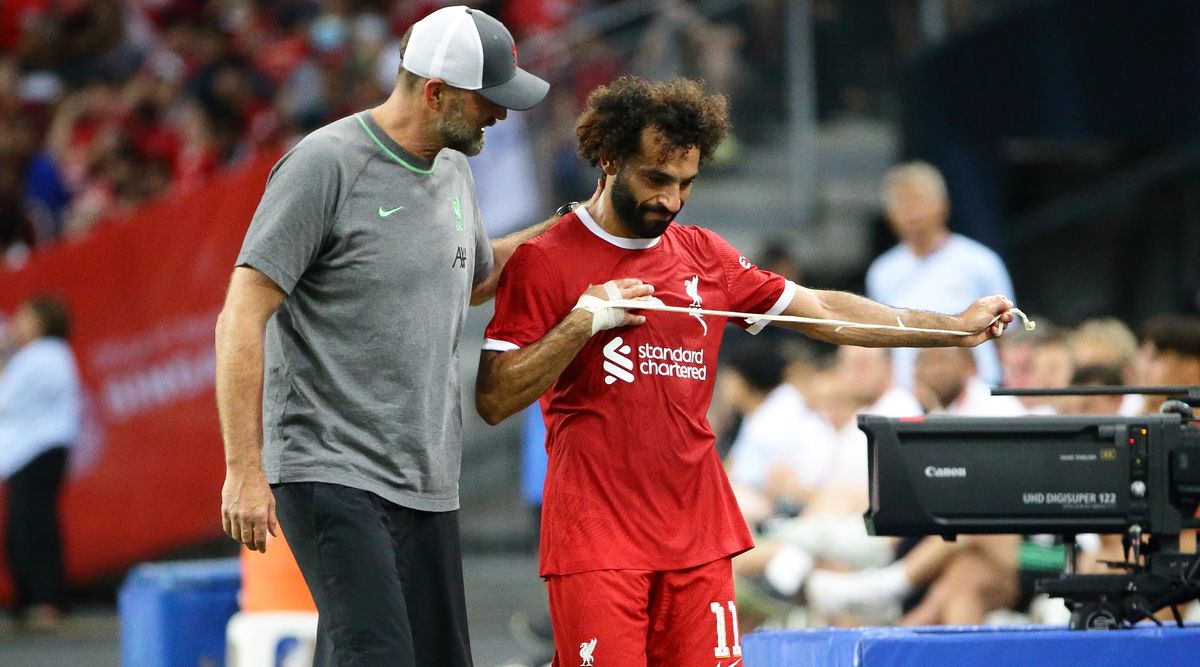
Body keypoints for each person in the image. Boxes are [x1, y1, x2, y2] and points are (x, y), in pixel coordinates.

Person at [475, 76, 1016, 665]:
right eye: (656, 179)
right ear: (608, 159)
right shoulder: (545, 259)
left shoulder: (705, 256)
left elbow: (825, 311)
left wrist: (954, 326)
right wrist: (582, 322)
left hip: (698, 533)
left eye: (686, 183)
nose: (671, 200)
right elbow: (494, 398)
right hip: (597, 537)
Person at [214, 6, 551, 665]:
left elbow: (474, 279)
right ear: (437, 93)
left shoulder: (453, 171)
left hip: (424, 476)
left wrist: (579, 225)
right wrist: (243, 470)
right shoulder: (325, 165)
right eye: (489, 101)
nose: (501, 116)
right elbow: (241, 315)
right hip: (331, 466)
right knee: (377, 655)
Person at [866, 161, 1015, 391]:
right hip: (909, 395)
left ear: (944, 205)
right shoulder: (881, 272)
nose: (912, 212)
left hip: (977, 392)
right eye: (903, 203)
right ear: (889, 214)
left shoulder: (981, 262)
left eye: (919, 201)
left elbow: (1008, 335)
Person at [0, 296, 80, 631]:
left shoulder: (42, 356)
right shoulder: (42, 356)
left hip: (37, 452)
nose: (17, 324)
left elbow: (4, 400)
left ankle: (44, 601)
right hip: (31, 453)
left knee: (34, 528)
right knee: (25, 528)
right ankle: (33, 600)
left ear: (42, 323)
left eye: (24, 317)